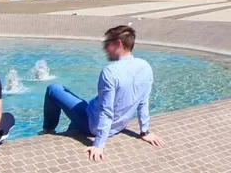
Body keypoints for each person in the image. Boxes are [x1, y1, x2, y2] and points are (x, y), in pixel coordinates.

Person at [40, 25, 163, 161]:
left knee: (53, 89)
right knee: (78, 105)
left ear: (118, 44)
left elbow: (106, 111)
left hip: (92, 125)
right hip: (119, 125)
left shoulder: (110, 72)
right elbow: (143, 101)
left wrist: (98, 144)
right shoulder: (145, 66)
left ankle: (48, 130)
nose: (105, 48)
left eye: (107, 44)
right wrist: (144, 131)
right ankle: (71, 130)